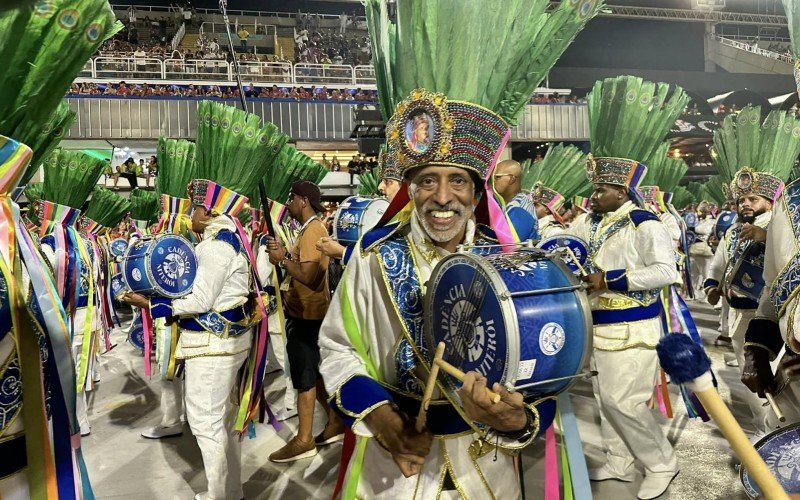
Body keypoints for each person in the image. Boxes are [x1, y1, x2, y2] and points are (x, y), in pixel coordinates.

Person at [316, 0, 597, 495]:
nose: (442, 198)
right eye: (427, 180)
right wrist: (382, 418)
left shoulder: (517, 265)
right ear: (409, 187)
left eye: (457, 182)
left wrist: (516, 421)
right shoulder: (373, 254)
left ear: (478, 190)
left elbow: (550, 373)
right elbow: (338, 348)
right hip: (394, 464)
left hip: (486, 466)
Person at [123, 101, 276, 500]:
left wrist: (151, 305)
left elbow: (199, 299)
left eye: (194, 208)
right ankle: (231, 491)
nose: (189, 215)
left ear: (209, 211)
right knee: (223, 424)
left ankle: (219, 495)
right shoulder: (234, 241)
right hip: (228, 345)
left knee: (208, 425)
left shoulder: (214, 248)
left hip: (212, 348)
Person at [569, 76, 686, 500]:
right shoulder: (593, 222)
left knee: (627, 403)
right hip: (599, 325)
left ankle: (661, 463)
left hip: (635, 329)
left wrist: (611, 279)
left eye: (601, 189)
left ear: (622, 190)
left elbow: (665, 272)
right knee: (605, 400)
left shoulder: (646, 224)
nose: (593, 194)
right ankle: (619, 461)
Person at [266, 181, 344, 462]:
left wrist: (283, 258)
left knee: (305, 379)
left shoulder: (313, 230)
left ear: (303, 201)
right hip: (310, 314)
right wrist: (284, 255)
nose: (288, 203)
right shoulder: (311, 229)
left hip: (307, 315)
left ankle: (303, 439)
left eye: (291, 197)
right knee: (317, 374)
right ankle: (335, 424)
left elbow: (309, 278)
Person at [705, 168, 779, 437]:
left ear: (770, 203)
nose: (745, 204)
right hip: (739, 317)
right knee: (751, 379)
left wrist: (767, 237)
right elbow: (718, 264)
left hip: (773, 319)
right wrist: (712, 285)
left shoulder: (783, 226)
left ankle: (783, 433)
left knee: (776, 380)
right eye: (741, 200)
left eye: (753, 199)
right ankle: (764, 434)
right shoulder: (733, 231)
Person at [492, 159, 539, 241]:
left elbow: (509, 246)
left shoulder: (520, 209)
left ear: (512, 179)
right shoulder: (511, 204)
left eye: (497, 177)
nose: (493, 181)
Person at [689, 200, 715, 299]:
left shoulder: (711, 221)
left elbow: (705, 230)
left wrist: (692, 229)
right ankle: (693, 294)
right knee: (693, 274)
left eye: (702, 212)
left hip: (705, 251)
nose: (700, 214)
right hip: (695, 250)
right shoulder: (700, 221)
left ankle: (708, 295)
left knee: (706, 274)